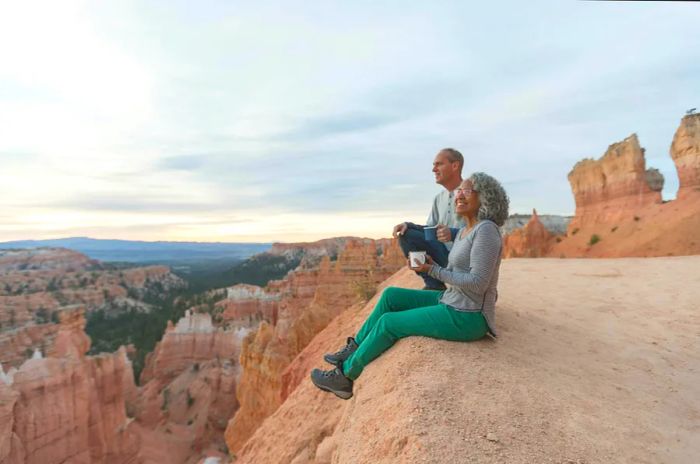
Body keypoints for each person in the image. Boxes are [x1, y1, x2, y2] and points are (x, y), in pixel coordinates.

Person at [311, 172, 509, 399]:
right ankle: (354, 348)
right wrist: (432, 264)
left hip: (469, 315)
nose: (458, 195)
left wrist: (433, 271)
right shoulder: (467, 230)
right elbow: (459, 271)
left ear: (485, 198)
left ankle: (345, 377)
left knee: (389, 323)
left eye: (466, 191)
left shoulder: (486, 231)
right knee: (391, 296)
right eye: (458, 191)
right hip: (453, 299)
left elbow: (478, 282)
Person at [393, 148, 465, 291]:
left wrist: (454, 233)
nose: (433, 169)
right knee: (406, 235)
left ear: (455, 166)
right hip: (443, 257)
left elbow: (483, 232)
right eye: (434, 165)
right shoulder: (439, 199)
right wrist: (408, 225)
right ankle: (434, 285)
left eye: (439, 164)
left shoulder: (473, 195)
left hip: (464, 260)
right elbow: (429, 231)